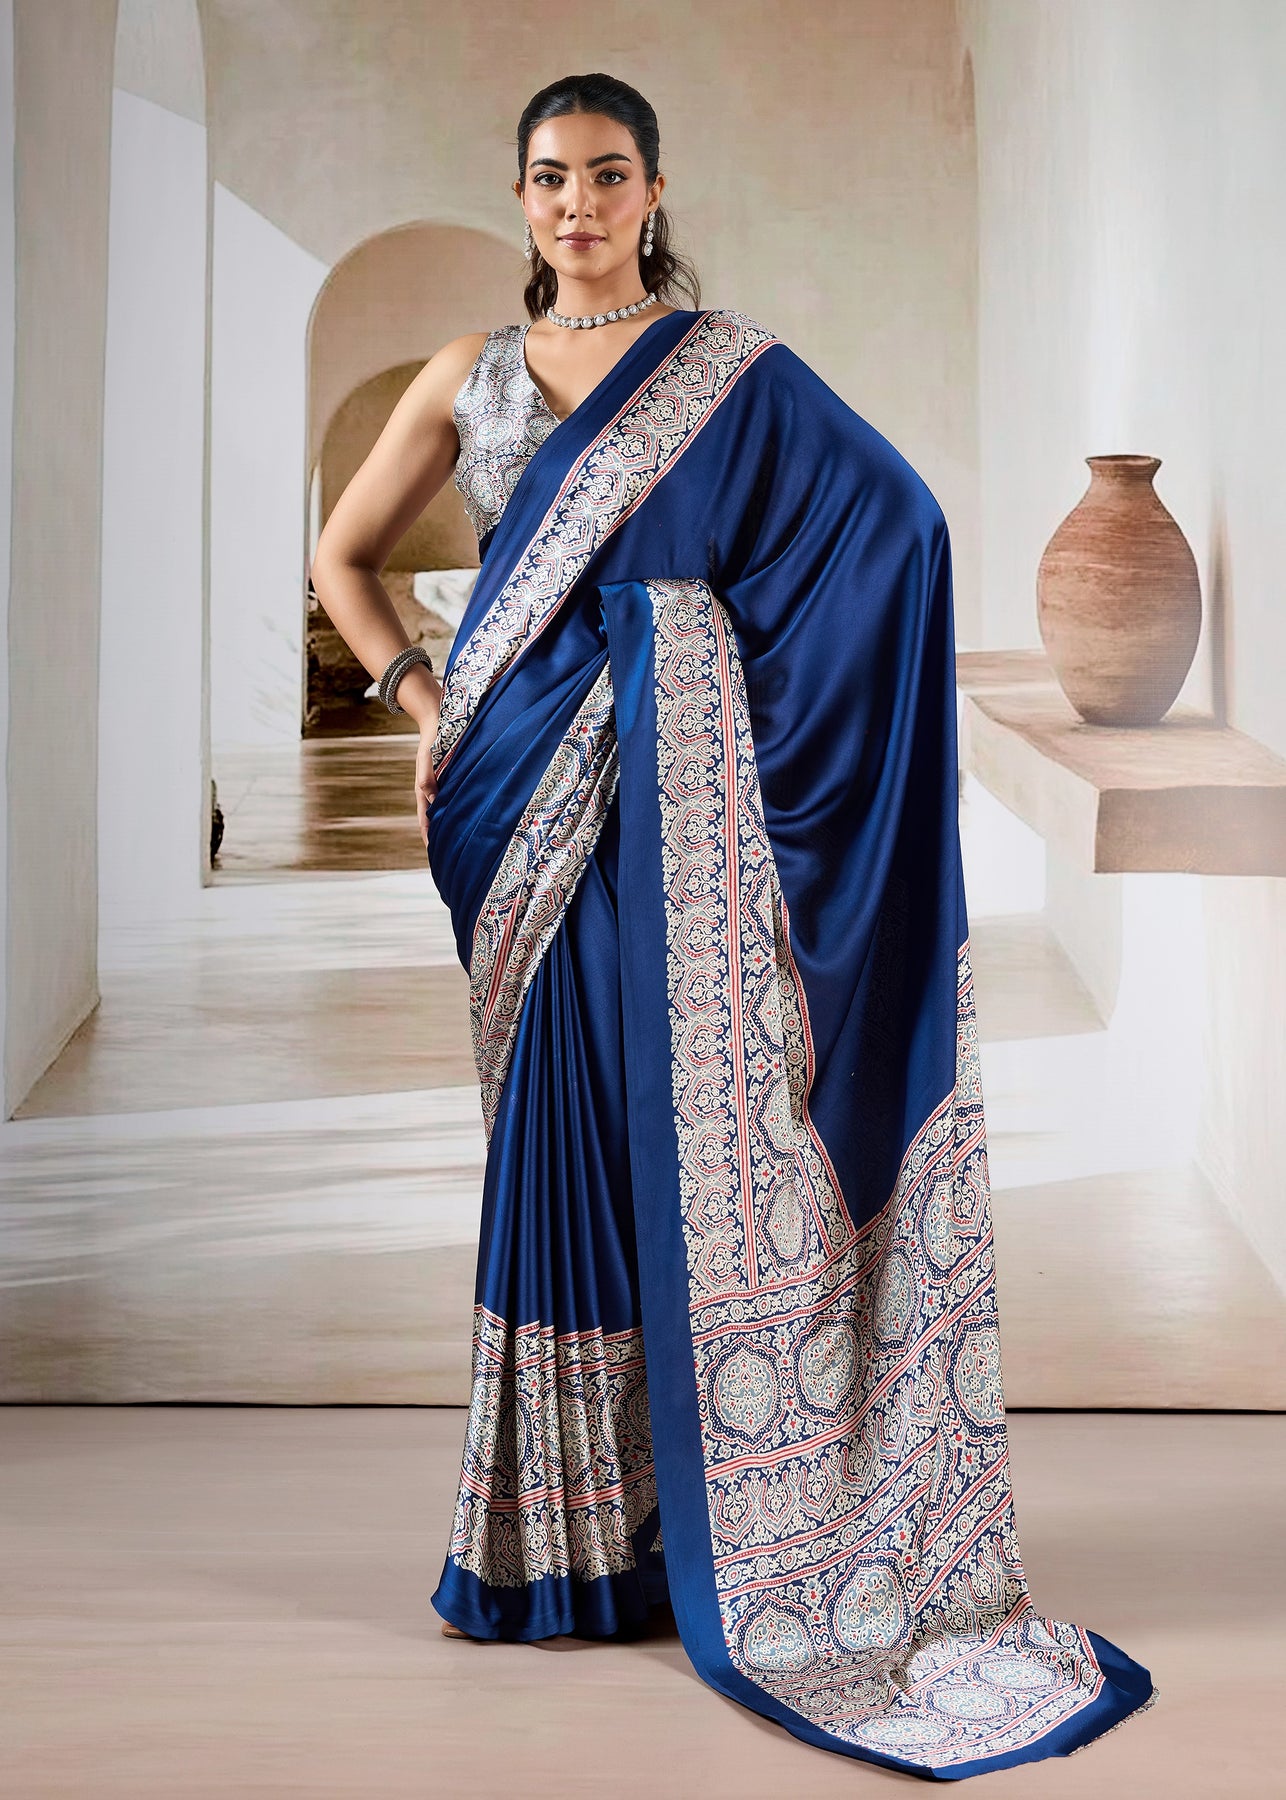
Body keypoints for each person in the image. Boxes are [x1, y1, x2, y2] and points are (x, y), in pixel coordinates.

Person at [309, 70, 1155, 1783]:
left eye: (605, 174)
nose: (575, 203)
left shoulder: (729, 372)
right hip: (512, 796)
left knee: (661, 1135)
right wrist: (423, 702)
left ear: (652, 189)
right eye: (549, 177)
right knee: (552, 1137)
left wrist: (688, 654)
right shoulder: (465, 375)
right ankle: (556, 1541)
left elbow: (891, 526)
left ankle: (673, 1520)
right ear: (521, 196)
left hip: (666, 819)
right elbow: (346, 560)